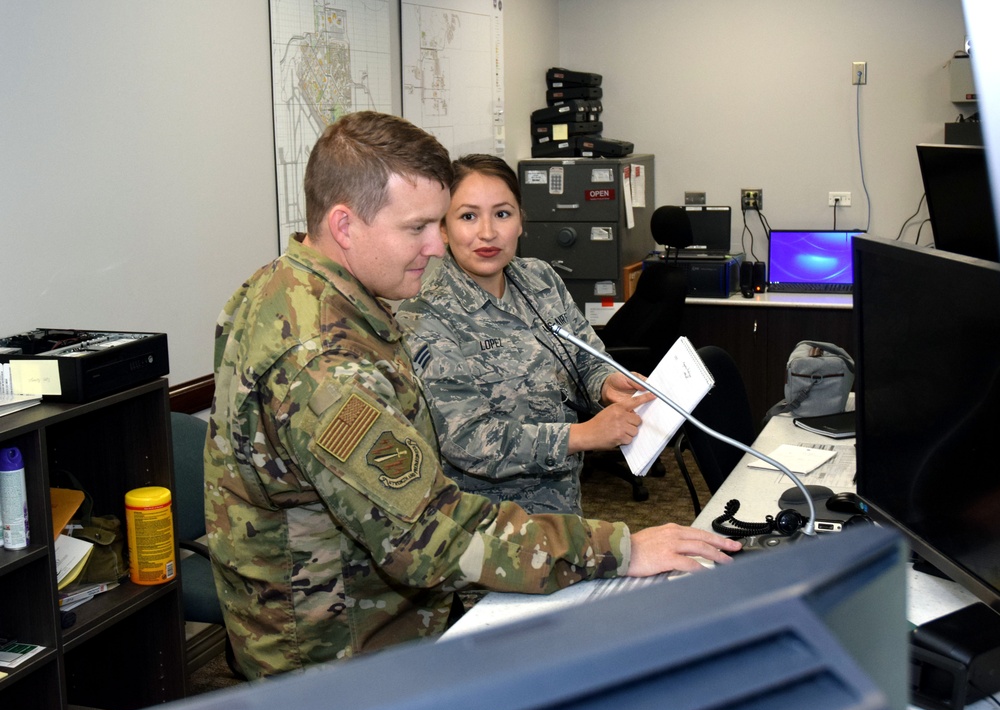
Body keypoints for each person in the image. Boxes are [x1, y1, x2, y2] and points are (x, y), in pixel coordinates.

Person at [204, 111, 741, 679]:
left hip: (357, 621)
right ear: (344, 225)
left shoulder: (285, 287)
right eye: (418, 228)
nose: (438, 247)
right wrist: (622, 549)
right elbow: (432, 534)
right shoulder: (327, 367)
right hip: (335, 654)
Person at [396, 154, 651, 515]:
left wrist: (606, 382)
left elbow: (585, 356)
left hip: (562, 507)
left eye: (502, 214)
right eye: (468, 216)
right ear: (442, 228)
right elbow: (467, 440)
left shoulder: (540, 279)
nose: (487, 232)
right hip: (489, 529)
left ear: (520, 222)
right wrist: (582, 436)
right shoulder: (425, 315)